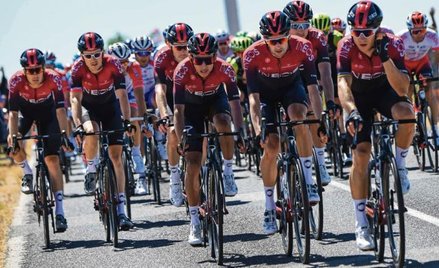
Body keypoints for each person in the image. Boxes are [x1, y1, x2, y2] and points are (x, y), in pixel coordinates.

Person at [337, 1, 415, 250]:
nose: (360, 37)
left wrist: (384, 57)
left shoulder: (392, 43)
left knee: (406, 113)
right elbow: (343, 86)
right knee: (360, 154)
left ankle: (400, 166)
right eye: (356, 31)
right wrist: (350, 112)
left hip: (385, 91)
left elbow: (402, 88)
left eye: (366, 32)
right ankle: (361, 224)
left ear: (377, 30)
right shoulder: (346, 46)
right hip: (358, 97)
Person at [243, 11, 322, 235]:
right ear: (264, 39)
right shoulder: (252, 54)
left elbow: (313, 90)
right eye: (272, 41)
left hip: (291, 88)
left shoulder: (303, 46)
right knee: (272, 145)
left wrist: (319, 120)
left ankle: (308, 180)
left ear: (289, 35)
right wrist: (259, 130)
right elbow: (253, 99)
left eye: (282, 40)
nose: (278, 46)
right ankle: (269, 207)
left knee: (299, 115)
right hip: (266, 95)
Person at [173, 33, 243, 245]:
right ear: (191, 57)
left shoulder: (225, 68)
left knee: (223, 121)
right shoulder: (182, 70)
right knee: (193, 165)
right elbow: (178, 110)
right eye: (198, 60)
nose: (204, 65)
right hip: (191, 108)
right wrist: (180, 138)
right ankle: (194, 220)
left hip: (215, 100)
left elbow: (234, 103)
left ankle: (228, 170)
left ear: (215, 57)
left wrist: (239, 131)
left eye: (208, 60)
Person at [70, 32, 134, 230]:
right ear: (82, 56)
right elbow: (75, 100)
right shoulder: (77, 69)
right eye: (88, 56)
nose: (93, 60)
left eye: (97, 54)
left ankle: (122, 210)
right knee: (92, 132)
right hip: (90, 109)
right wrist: (78, 124)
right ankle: (91, 169)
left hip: (110, 108)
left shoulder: (113, 64)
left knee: (116, 157)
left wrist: (127, 121)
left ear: (103, 52)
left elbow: (122, 95)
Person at [8, 48, 70, 232]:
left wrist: (64, 132)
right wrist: (14, 136)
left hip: (48, 115)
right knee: (14, 141)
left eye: (38, 70)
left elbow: (60, 110)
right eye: (30, 71)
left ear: (43, 68)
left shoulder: (54, 78)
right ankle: (27, 173)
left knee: (52, 159)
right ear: (24, 71)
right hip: (25, 115)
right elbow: (13, 113)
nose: (34, 74)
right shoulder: (15, 80)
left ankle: (60, 212)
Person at [284, 0, 336, 186]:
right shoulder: (279, 38)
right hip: (283, 78)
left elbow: (325, 73)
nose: (301, 30)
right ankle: (285, 166)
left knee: (314, 113)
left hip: (308, 76)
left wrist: (329, 101)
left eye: (305, 25)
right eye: (295, 26)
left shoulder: (317, 37)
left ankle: (320, 162)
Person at [154, 22, 193, 207]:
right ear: (169, 45)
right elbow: (160, 91)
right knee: (172, 133)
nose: (184, 51)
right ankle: (175, 176)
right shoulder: (162, 58)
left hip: (193, 97)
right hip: (170, 99)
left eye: (187, 46)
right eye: (179, 47)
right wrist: (164, 115)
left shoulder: (197, 53)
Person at [108, 42, 149, 195]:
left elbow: (139, 94)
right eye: (120, 62)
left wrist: (143, 118)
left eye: (126, 61)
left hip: (129, 97)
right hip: (111, 100)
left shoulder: (134, 66)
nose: (123, 65)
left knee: (133, 115)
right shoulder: (106, 69)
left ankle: (137, 154)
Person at [311, 13, 352, 164]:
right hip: (315, 70)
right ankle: (323, 134)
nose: (322, 36)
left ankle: (342, 137)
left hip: (334, 69)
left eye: (325, 32)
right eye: (319, 32)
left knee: (336, 106)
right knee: (314, 97)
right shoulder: (311, 38)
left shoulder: (336, 37)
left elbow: (344, 56)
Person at [397, 11, 439, 145]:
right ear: (409, 30)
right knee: (407, 89)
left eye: (422, 30)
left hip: (422, 63)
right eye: (415, 32)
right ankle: (413, 119)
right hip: (406, 65)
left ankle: (435, 128)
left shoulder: (433, 36)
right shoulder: (401, 37)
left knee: (430, 92)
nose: (419, 34)